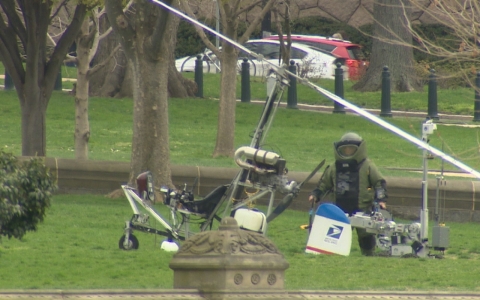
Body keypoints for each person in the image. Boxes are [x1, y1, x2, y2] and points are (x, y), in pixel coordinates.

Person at [308, 132, 387, 256]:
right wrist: (316, 194)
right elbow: (324, 184)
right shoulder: (334, 167)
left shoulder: (367, 166)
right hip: (339, 209)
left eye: (351, 149)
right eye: (345, 149)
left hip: (363, 209)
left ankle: (368, 255)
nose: (348, 151)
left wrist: (381, 199)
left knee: (365, 235)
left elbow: (379, 183)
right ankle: (335, 254)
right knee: (336, 234)